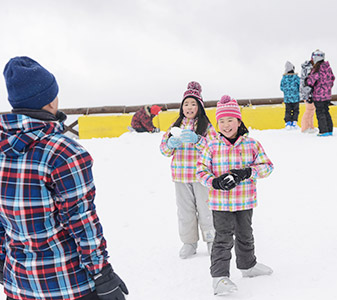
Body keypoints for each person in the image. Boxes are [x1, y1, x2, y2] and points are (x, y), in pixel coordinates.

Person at [0, 56, 128, 300]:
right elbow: (81, 220)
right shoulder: (65, 152)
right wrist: (102, 274)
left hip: (19, 285)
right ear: (49, 101)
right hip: (67, 285)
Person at [196, 95, 274, 296]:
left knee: (245, 235)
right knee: (222, 239)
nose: (225, 125)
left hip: (244, 200)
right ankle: (219, 277)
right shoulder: (211, 145)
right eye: (221, 121)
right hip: (220, 203)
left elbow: (267, 167)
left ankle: (248, 266)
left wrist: (247, 172)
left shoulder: (251, 144)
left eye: (230, 120)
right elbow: (201, 171)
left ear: (239, 122)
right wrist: (215, 182)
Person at [159, 81, 217, 259]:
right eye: (186, 104)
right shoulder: (175, 127)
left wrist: (197, 140)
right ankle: (189, 242)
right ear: (181, 107)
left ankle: (211, 240)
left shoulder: (206, 127)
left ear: (199, 106)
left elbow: (214, 148)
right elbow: (163, 150)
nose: (189, 107)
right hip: (181, 176)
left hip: (201, 176)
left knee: (206, 209)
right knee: (185, 212)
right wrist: (170, 144)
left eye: (193, 104)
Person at [306, 49, 336, 136]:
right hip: (327, 95)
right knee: (326, 111)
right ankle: (329, 130)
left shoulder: (317, 69)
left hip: (318, 95)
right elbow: (332, 78)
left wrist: (307, 80)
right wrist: (328, 88)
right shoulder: (328, 68)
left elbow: (311, 81)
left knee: (320, 112)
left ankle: (323, 131)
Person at [280, 61, 300, 130]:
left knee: (288, 110)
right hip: (295, 98)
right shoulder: (296, 77)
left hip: (287, 98)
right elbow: (300, 86)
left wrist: (287, 92)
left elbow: (281, 87)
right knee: (295, 110)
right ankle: (294, 122)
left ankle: (288, 123)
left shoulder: (284, 78)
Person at [299, 60, 317, 134]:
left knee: (311, 110)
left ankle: (310, 126)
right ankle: (305, 127)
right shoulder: (308, 69)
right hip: (307, 92)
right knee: (309, 110)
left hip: (308, 91)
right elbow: (307, 82)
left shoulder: (307, 68)